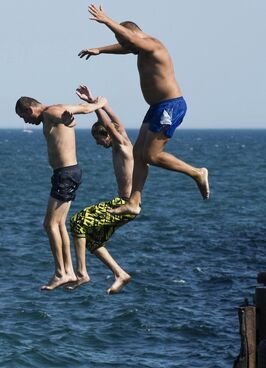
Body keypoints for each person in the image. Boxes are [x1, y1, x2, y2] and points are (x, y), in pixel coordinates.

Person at [78, 4, 209, 216]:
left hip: (170, 106)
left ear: (132, 35)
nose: (126, 48)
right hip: (156, 107)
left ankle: (197, 173)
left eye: (126, 42)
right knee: (138, 154)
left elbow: (130, 41)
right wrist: (100, 50)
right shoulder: (138, 47)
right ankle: (133, 202)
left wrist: (106, 20)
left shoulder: (153, 45)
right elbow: (127, 44)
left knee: (151, 155)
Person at [15, 94, 107, 291]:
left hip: (65, 175)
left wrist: (98, 104)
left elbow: (78, 111)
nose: (26, 122)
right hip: (66, 173)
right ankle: (71, 272)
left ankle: (61, 272)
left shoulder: (50, 112)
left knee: (49, 224)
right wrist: (72, 118)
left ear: (29, 109)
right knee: (58, 224)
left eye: (24, 117)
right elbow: (71, 116)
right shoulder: (53, 111)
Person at [68, 85, 135, 294]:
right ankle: (120, 274)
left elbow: (113, 125)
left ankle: (81, 274)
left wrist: (99, 105)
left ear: (108, 136)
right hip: (125, 202)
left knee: (77, 221)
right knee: (92, 240)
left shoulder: (122, 145)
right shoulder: (122, 143)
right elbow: (115, 124)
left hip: (125, 204)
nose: (99, 145)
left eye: (99, 140)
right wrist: (94, 103)